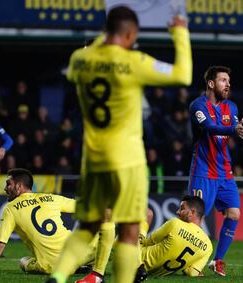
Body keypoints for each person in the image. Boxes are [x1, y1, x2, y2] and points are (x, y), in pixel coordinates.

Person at [47, 5, 192, 283]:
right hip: (128, 161)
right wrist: (180, 34)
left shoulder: (79, 61)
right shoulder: (134, 62)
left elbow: (94, 54)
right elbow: (183, 75)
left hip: (93, 160)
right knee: (128, 231)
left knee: (88, 226)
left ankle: (58, 275)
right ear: (129, 35)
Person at [187, 66, 243, 276]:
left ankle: (217, 260)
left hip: (225, 173)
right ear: (211, 84)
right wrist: (232, 130)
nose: (228, 84)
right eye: (223, 80)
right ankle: (189, 262)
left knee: (234, 213)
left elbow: (233, 129)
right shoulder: (198, 106)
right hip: (203, 172)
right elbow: (210, 128)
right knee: (194, 220)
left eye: (228, 81)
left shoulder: (232, 108)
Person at [0, 168, 113, 274]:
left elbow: (0, 244)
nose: (5, 188)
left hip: (52, 266)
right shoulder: (51, 198)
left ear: (18, 186)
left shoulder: (10, 209)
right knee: (108, 238)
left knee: (23, 261)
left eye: (8, 184)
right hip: (77, 252)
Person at [77, 195, 212, 283]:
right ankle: (86, 263)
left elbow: (147, 241)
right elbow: (191, 273)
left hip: (135, 257)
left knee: (146, 213)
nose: (177, 212)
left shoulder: (175, 224)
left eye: (182, 209)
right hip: (154, 272)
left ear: (192, 212)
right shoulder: (208, 246)